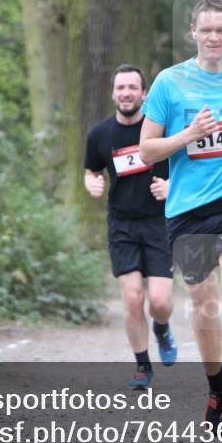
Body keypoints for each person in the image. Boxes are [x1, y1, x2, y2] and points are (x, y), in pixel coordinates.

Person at [140, 0, 222, 430]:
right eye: (206, 30)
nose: (214, 37)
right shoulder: (168, 83)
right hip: (187, 209)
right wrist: (188, 134)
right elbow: (146, 148)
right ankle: (215, 389)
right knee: (203, 305)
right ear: (192, 33)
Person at [84, 64, 177, 390]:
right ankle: (142, 366)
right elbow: (92, 171)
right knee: (133, 298)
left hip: (159, 224)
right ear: (113, 93)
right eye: (120, 87)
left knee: (160, 302)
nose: (125, 93)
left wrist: (171, 188)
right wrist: (92, 183)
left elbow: (185, 170)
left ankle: (162, 328)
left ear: (143, 93)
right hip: (122, 224)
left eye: (132, 88)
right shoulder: (100, 135)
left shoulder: (161, 132)